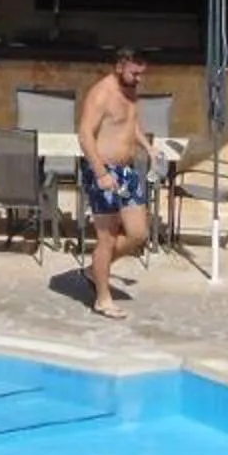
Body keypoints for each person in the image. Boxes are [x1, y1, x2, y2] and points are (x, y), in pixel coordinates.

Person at [78, 48, 154, 318]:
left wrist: (148, 147)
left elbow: (130, 122)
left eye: (142, 74)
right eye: (135, 73)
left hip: (126, 171)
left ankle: (94, 270)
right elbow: (85, 134)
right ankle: (102, 297)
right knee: (107, 238)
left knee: (138, 234)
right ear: (120, 66)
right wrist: (101, 173)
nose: (139, 79)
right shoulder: (102, 92)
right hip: (103, 171)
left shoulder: (130, 89)